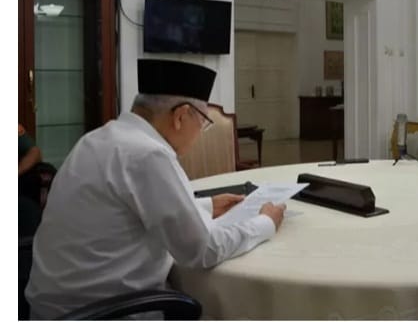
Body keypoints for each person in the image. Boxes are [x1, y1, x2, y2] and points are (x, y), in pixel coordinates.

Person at [26, 59, 286, 319]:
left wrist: (207, 205)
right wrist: (265, 222)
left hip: (54, 309)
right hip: (106, 312)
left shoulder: (97, 139)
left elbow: (128, 210)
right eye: (203, 122)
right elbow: (203, 250)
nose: (201, 132)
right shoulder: (148, 154)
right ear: (181, 116)